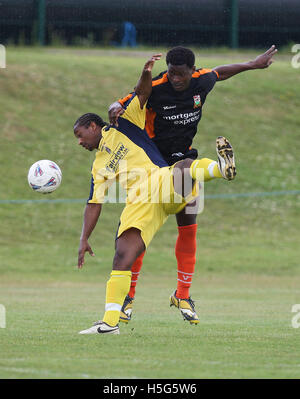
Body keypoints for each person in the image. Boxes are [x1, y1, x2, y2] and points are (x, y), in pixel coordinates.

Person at [108, 45, 277, 325]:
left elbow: (220, 73)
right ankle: (127, 299)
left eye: (181, 75)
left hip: (183, 159)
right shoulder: (158, 85)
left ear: (191, 72)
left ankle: (182, 295)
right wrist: (116, 104)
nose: (176, 79)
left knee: (188, 225)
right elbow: (131, 98)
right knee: (137, 236)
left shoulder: (202, 80)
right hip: (151, 165)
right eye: (172, 73)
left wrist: (253, 64)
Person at [74, 54, 236, 335]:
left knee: (184, 167)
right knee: (122, 255)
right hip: (140, 203)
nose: (80, 143)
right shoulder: (98, 166)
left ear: (93, 126)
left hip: (161, 181)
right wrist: (84, 238)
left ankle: (222, 169)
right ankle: (110, 322)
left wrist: (146, 72)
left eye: (80, 135)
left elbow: (143, 92)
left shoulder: (126, 123)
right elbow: (94, 203)